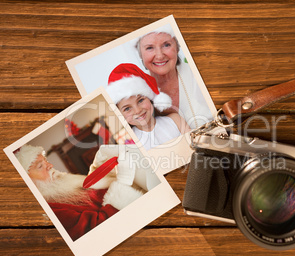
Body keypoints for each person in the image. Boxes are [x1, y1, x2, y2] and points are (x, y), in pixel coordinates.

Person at [15, 144, 145, 241]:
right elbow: (98, 232)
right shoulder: (50, 213)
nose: (49, 165)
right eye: (40, 166)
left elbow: (88, 194)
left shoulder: (56, 187)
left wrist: (99, 165)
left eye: (45, 160)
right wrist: (123, 182)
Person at [135, 24, 214, 129]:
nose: (159, 55)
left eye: (166, 45)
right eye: (149, 48)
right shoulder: (138, 94)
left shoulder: (198, 72)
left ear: (177, 47)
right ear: (141, 55)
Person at [107, 63, 191, 150]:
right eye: (127, 108)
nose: (137, 111)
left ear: (150, 99)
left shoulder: (175, 120)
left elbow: (196, 148)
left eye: (140, 100)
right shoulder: (130, 142)